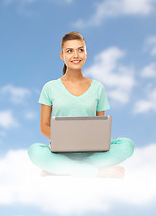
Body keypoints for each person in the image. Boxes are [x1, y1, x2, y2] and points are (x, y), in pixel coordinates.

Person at [28, 31, 134, 178]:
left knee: (127, 145)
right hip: (61, 153)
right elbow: (44, 126)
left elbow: (100, 127)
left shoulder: (97, 87)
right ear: (62, 56)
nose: (76, 55)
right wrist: (65, 139)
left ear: (86, 53)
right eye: (69, 51)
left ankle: (62, 170)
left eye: (80, 50)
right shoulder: (49, 87)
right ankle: (97, 172)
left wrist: (92, 141)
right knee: (35, 151)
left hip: (93, 153)